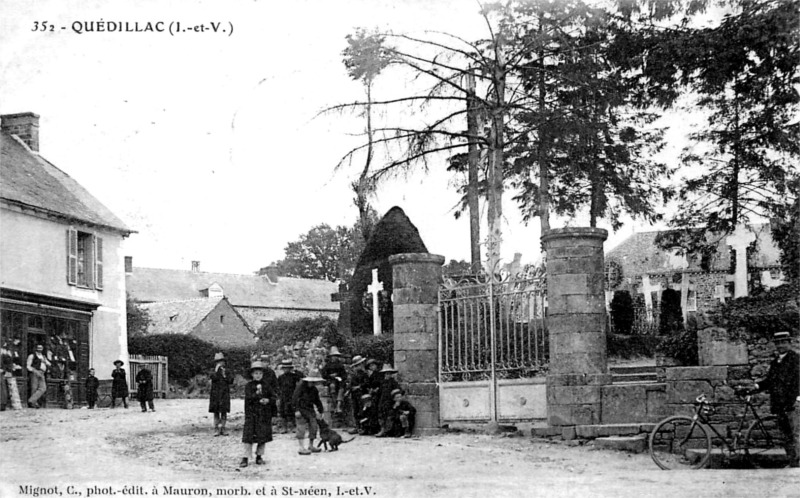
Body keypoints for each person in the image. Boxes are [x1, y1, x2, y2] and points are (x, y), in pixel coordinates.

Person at [743, 331, 799, 468]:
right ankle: (793, 463)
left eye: (783, 342)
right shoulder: (775, 362)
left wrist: (798, 399)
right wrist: (756, 386)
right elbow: (770, 381)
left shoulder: (796, 359)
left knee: (796, 433)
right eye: (778, 343)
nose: (781, 345)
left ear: (789, 343)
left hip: (793, 403)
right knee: (786, 436)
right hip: (780, 405)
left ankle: (798, 464)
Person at [241, 360, 276, 468]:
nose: (258, 375)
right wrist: (257, 397)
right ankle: (245, 457)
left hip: (263, 415)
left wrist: (268, 401)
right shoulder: (248, 386)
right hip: (252, 414)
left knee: (262, 436)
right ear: (252, 374)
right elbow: (248, 397)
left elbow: (273, 397)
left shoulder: (267, 386)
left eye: (260, 373)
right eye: (256, 373)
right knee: (248, 436)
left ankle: (259, 456)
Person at [292, 370, 325, 455]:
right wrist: (296, 410)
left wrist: (321, 411)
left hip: (310, 410)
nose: (313, 383)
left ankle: (311, 445)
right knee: (301, 428)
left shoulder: (314, 389)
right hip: (300, 410)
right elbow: (294, 399)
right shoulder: (300, 387)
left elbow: (317, 401)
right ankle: (301, 447)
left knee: (314, 427)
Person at [209, 352, 234, 436]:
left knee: (224, 411)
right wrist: (216, 371)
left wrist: (224, 374)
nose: (220, 363)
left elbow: (230, 381)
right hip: (215, 393)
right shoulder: (213, 371)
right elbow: (212, 377)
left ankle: (223, 428)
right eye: (218, 362)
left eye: (221, 361)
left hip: (224, 393)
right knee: (216, 411)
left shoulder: (227, 371)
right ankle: (216, 429)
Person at [276, 358, 303, 434]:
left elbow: (301, 377)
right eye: (284, 368)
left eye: (287, 368)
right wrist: (279, 395)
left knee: (293, 410)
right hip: (284, 396)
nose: (286, 369)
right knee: (283, 411)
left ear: (290, 368)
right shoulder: (281, 377)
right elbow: (278, 386)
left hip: (292, 395)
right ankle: (284, 427)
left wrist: (296, 371)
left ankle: (294, 426)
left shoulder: (295, 376)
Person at [321, 346, 347, 416]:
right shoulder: (327, 365)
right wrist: (330, 375)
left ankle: (338, 405)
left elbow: (344, 375)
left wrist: (338, 375)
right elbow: (323, 374)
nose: (334, 357)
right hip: (330, 380)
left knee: (341, 388)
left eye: (336, 356)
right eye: (333, 356)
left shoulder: (340, 365)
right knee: (332, 386)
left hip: (339, 381)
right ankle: (334, 404)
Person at [375, 364, 400, 438]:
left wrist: (395, 398)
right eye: (386, 373)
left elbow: (400, 390)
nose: (387, 375)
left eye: (389, 373)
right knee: (381, 415)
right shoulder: (382, 382)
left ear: (391, 374)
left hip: (390, 401)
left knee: (389, 416)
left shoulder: (393, 382)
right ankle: (382, 430)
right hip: (382, 401)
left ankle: (387, 431)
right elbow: (379, 392)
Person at [347, 355, 368, 433]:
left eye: (359, 365)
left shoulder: (364, 374)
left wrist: (359, 387)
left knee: (362, 410)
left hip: (362, 394)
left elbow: (366, 383)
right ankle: (357, 426)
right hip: (354, 395)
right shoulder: (353, 375)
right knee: (355, 410)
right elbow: (351, 384)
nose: (358, 367)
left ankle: (363, 427)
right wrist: (349, 390)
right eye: (356, 365)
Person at [26, 344, 50, 409]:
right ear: (36, 348)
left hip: (42, 373)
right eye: (38, 348)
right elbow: (28, 366)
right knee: (34, 388)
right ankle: (33, 403)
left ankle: (31, 400)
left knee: (43, 388)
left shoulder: (43, 356)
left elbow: (49, 364)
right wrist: (34, 370)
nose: (40, 349)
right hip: (35, 372)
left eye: (41, 348)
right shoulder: (32, 356)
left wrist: (45, 361)